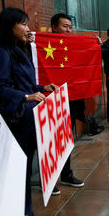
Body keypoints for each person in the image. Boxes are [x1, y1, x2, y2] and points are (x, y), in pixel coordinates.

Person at [0, 8, 55, 216]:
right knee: (18, 178)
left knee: (23, 177)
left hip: (28, 121)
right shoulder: (1, 54)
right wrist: (26, 97)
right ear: (9, 26)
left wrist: (41, 88)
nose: (28, 28)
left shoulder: (17, 50)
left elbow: (23, 82)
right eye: (23, 24)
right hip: (17, 123)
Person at [47, 13, 85, 195]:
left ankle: (66, 174)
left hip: (69, 100)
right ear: (54, 27)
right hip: (48, 100)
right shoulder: (40, 45)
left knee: (66, 139)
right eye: (64, 26)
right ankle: (49, 179)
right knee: (49, 140)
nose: (68, 30)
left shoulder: (72, 45)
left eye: (70, 26)